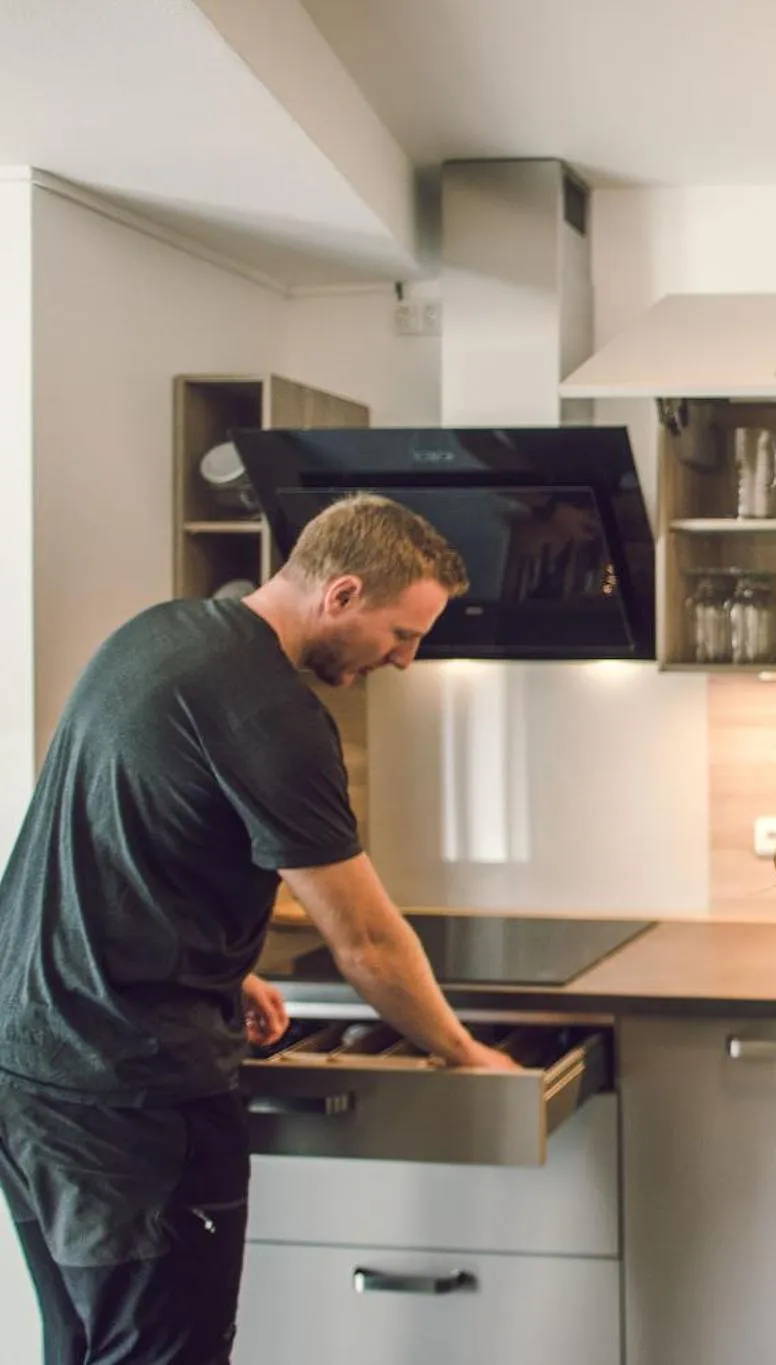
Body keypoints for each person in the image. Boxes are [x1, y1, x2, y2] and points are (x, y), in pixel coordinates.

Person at [0, 493, 520, 1365]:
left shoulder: (161, 635)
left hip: (30, 1062)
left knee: (83, 1341)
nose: (405, 659)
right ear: (342, 593)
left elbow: (114, 832)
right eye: (404, 632)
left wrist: (219, 964)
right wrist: (465, 1052)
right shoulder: (270, 711)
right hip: (131, 1092)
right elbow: (366, 941)